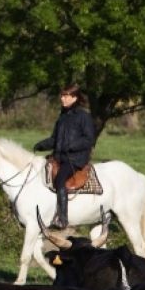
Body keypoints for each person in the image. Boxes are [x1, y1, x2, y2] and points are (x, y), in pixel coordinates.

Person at [33, 83, 96, 229]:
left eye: (66, 96)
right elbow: (55, 139)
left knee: (60, 180)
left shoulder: (83, 116)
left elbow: (89, 139)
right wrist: (41, 145)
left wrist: (72, 146)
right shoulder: (62, 117)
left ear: (74, 97)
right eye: (62, 95)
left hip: (75, 159)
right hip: (59, 157)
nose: (62, 98)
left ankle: (62, 219)